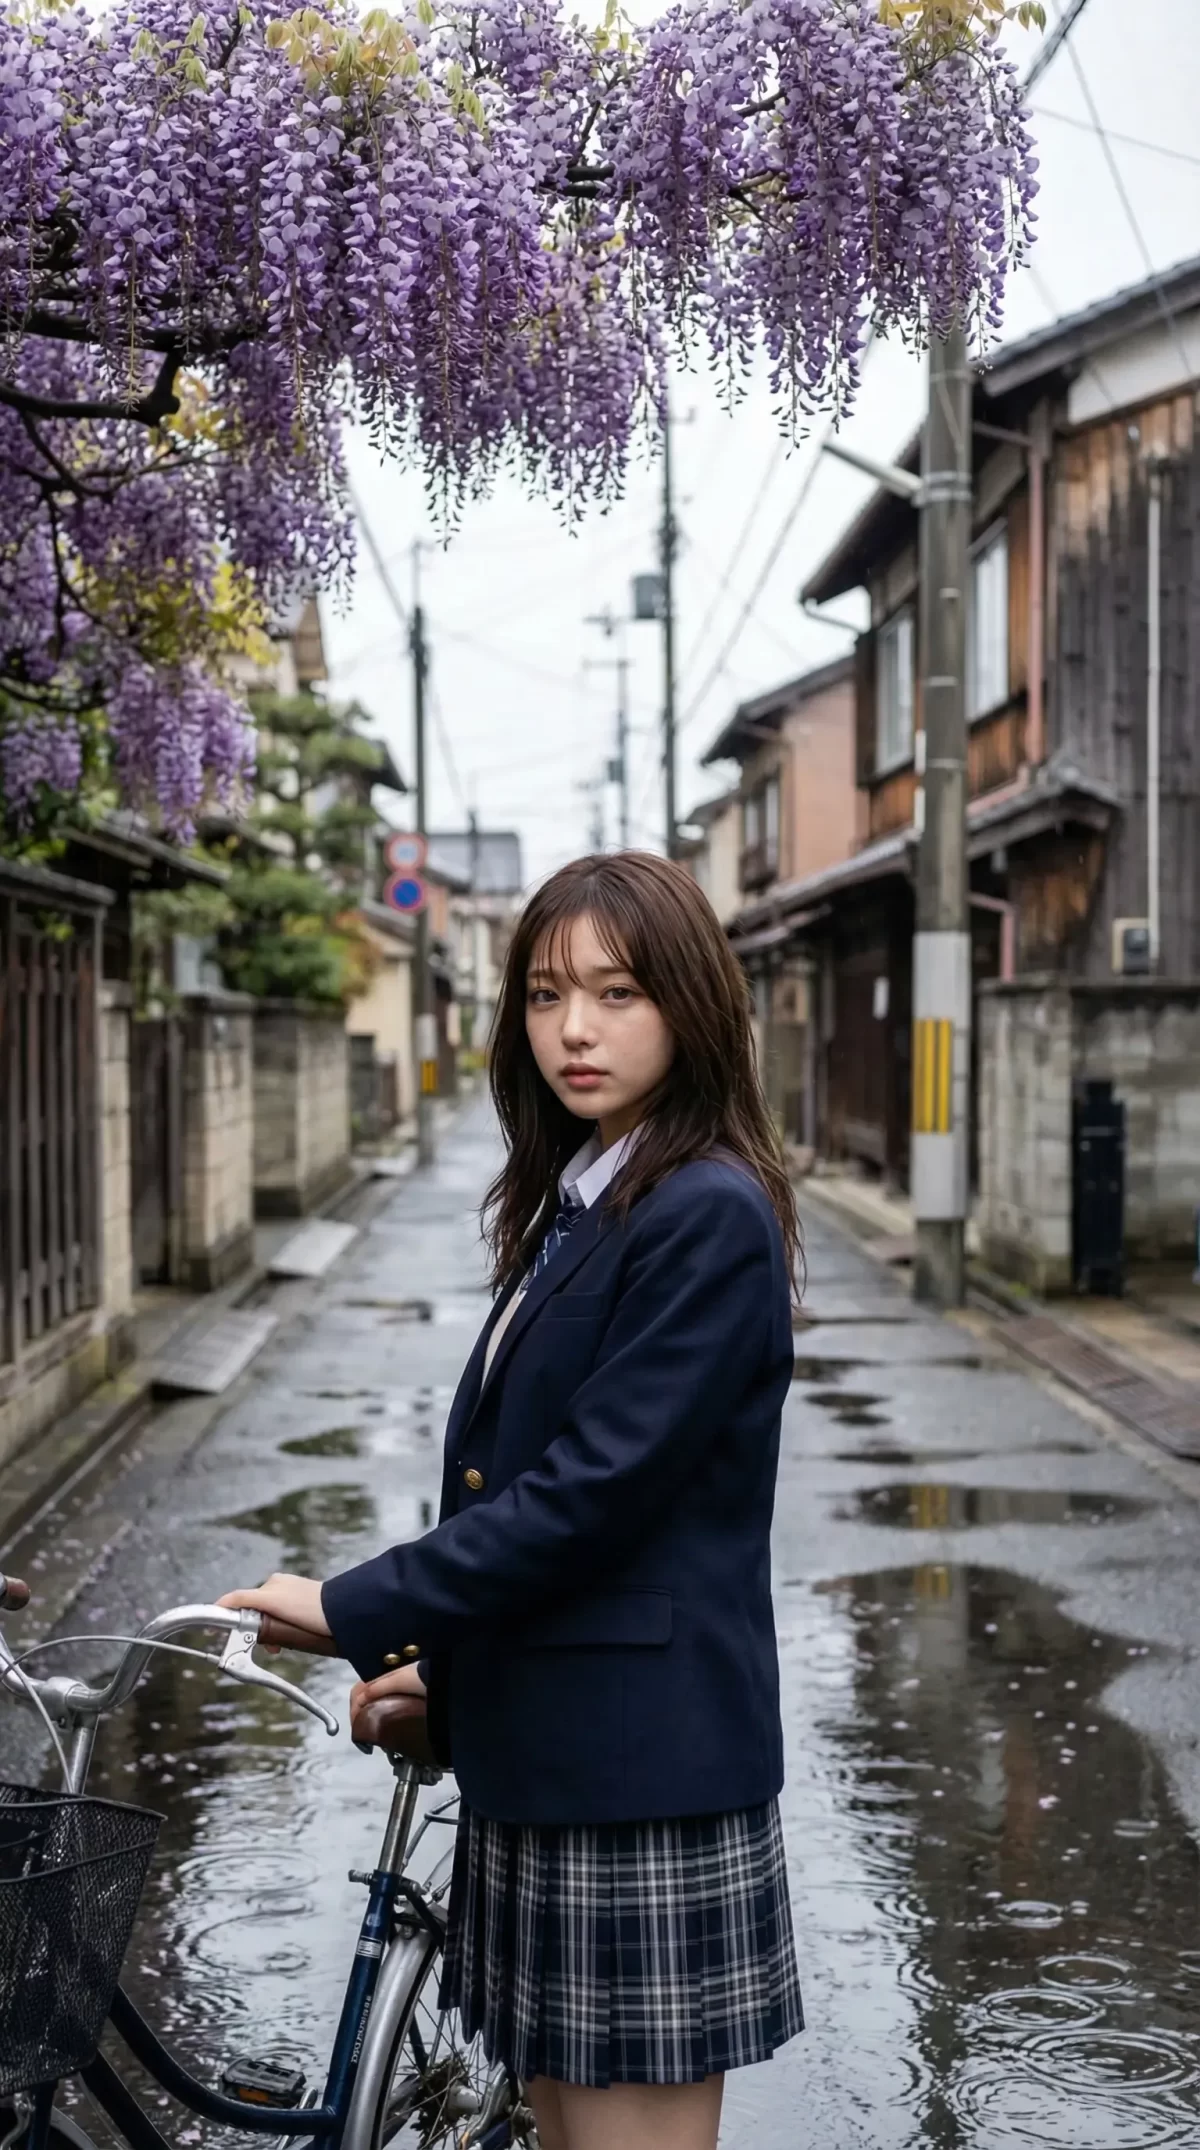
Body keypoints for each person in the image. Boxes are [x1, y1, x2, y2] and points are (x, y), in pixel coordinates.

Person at [220, 851, 803, 2150]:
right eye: (546, 994)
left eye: (616, 990)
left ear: (692, 1004)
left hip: (639, 1776)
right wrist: (456, 1674)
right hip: (563, 1757)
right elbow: (555, 1505)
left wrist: (356, 1606)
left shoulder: (703, 1210)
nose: (575, 1028)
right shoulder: (588, 1191)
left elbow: (585, 1499)